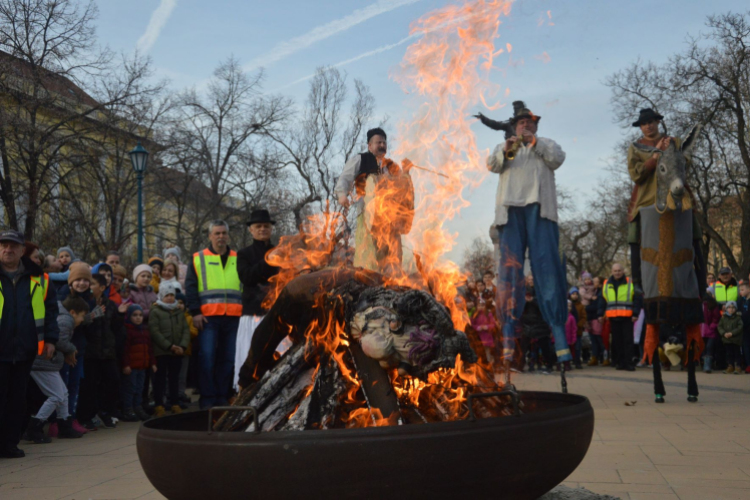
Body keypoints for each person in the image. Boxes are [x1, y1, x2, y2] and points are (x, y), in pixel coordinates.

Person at [486, 101, 571, 363]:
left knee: (547, 269)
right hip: (511, 213)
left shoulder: (545, 144)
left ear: (535, 125)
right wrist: (507, 149)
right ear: (514, 125)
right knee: (510, 274)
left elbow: (558, 159)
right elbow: (491, 165)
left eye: (530, 122)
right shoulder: (505, 147)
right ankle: (509, 336)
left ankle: (559, 334)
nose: (526, 125)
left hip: (540, 211)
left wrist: (534, 142)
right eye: (522, 122)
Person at [626, 108, 705, 293]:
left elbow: (684, 165)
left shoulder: (675, 142)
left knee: (695, 234)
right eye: (644, 124)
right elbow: (635, 174)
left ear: (658, 122)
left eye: (651, 122)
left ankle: (702, 283)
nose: (648, 126)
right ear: (640, 127)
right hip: (646, 200)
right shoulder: (635, 148)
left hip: (676, 197)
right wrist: (653, 159)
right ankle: (637, 281)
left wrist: (671, 151)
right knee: (633, 236)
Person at [0, 230, 59, 458]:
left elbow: (51, 310)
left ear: (22, 250)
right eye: (4, 245)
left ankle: (9, 444)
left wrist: (51, 340)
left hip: (25, 351)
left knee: (17, 401)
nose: (8, 249)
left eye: (13, 246)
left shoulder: (39, 278)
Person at [333, 127, 414, 274]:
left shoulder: (391, 166)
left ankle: (392, 286)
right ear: (370, 146)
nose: (382, 145)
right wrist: (342, 195)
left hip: (390, 221)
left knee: (392, 260)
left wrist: (406, 172)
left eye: (384, 142)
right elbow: (345, 177)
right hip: (367, 217)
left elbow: (402, 190)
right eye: (378, 142)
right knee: (369, 257)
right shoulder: (360, 159)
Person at [185, 221, 242, 409]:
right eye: (217, 233)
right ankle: (208, 398)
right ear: (210, 236)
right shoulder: (198, 258)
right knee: (207, 358)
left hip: (234, 316)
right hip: (208, 317)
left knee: (229, 359)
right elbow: (191, 288)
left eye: (224, 233)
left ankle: (221, 396)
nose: (221, 237)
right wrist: (195, 312)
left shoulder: (237, 257)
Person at [26, 296, 88, 443]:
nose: (82, 320)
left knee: (63, 393)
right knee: (56, 396)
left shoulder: (61, 314)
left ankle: (65, 424)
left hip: (47, 363)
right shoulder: (66, 320)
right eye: (82, 316)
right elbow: (58, 339)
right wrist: (71, 350)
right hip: (44, 363)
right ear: (73, 312)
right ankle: (35, 427)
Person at [236, 209, 280, 390]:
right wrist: (268, 260)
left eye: (266, 226)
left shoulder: (281, 250)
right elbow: (247, 277)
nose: (262, 229)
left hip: (276, 314)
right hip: (253, 314)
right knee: (251, 357)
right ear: (251, 230)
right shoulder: (243, 254)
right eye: (258, 226)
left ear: (271, 229)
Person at [76, 274, 122, 430]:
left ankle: (105, 411)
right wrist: (91, 316)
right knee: (89, 386)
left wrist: (114, 345)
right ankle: (86, 417)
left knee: (113, 381)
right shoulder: (84, 303)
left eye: (93, 284)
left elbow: (116, 328)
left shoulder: (111, 305)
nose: (89, 286)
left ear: (102, 288)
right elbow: (79, 326)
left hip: (107, 352)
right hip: (89, 352)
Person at [150, 282, 190, 416]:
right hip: (162, 351)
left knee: (175, 379)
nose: (169, 298)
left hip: (177, 351)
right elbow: (155, 331)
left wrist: (182, 346)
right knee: (160, 379)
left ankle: (174, 403)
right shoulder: (155, 311)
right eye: (167, 295)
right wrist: (169, 346)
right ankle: (159, 404)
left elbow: (185, 330)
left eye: (172, 295)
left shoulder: (179, 311)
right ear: (161, 296)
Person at [599, 263, 641, 371]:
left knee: (628, 341)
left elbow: (637, 299)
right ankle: (620, 363)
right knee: (617, 342)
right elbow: (602, 300)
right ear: (612, 272)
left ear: (623, 271)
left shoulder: (630, 282)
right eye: (615, 271)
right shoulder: (606, 283)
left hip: (627, 317)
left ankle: (629, 363)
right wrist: (600, 314)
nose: (617, 273)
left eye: (619, 270)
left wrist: (635, 313)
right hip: (613, 317)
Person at [121, 305, 156, 422]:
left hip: (142, 366)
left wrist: (152, 363)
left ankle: (137, 407)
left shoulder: (145, 331)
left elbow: (149, 349)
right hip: (132, 367)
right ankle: (128, 409)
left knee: (140, 388)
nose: (138, 318)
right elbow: (125, 350)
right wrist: (126, 365)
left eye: (140, 315)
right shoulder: (128, 331)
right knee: (130, 388)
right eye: (135, 315)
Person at [520, 277, 555, 373]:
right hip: (527, 323)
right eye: (529, 279)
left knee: (544, 346)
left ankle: (549, 365)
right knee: (523, 347)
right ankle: (520, 365)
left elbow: (545, 304)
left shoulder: (541, 290)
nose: (530, 281)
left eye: (532, 279)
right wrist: (524, 301)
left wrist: (533, 300)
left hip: (540, 322)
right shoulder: (523, 290)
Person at [175, 293, 198, 405]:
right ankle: (172, 395)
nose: (179, 305)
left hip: (185, 350)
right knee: (172, 375)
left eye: (181, 303)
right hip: (172, 351)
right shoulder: (170, 316)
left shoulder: (189, 317)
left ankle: (180, 393)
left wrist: (183, 334)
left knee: (182, 376)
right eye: (177, 302)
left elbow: (193, 332)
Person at [718, 301, 743, 374]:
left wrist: (732, 333)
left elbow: (740, 327)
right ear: (726, 308)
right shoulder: (723, 317)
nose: (731, 309)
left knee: (737, 353)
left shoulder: (738, 318)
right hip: (727, 339)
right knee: (729, 354)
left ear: (735, 309)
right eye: (729, 307)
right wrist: (723, 333)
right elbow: (719, 326)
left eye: (733, 308)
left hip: (736, 340)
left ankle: (738, 366)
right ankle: (730, 366)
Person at [701, 288, 722, 373]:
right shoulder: (700, 303)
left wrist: (712, 326)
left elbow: (716, 317)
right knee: (703, 347)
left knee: (709, 347)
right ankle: (704, 363)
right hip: (701, 329)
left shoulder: (713, 305)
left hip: (710, 329)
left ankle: (708, 365)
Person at [471, 300, 497, 365]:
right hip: (478, 336)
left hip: (487, 336)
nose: (481, 307)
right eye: (479, 305)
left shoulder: (488, 314)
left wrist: (486, 327)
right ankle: (480, 365)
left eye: (482, 305)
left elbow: (493, 324)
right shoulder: (474, 315)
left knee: (487, 351)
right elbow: (471, 325)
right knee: (479, 352)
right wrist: (478, 327)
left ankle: (488, 365)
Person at [737, 282, 750, 373]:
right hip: (744, 328)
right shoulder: (741, 300)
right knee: (745, 346)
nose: (740, 292)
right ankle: (747, 364)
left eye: (742, 290)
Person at [565, 300, 577, 371]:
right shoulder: (560, 317)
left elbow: (574, 329)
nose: (568, 308)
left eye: (570, 306)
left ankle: (567, 364)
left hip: (569, 339)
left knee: (569, 352)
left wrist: (574, 338)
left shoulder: (571, 318)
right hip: (562, 340)